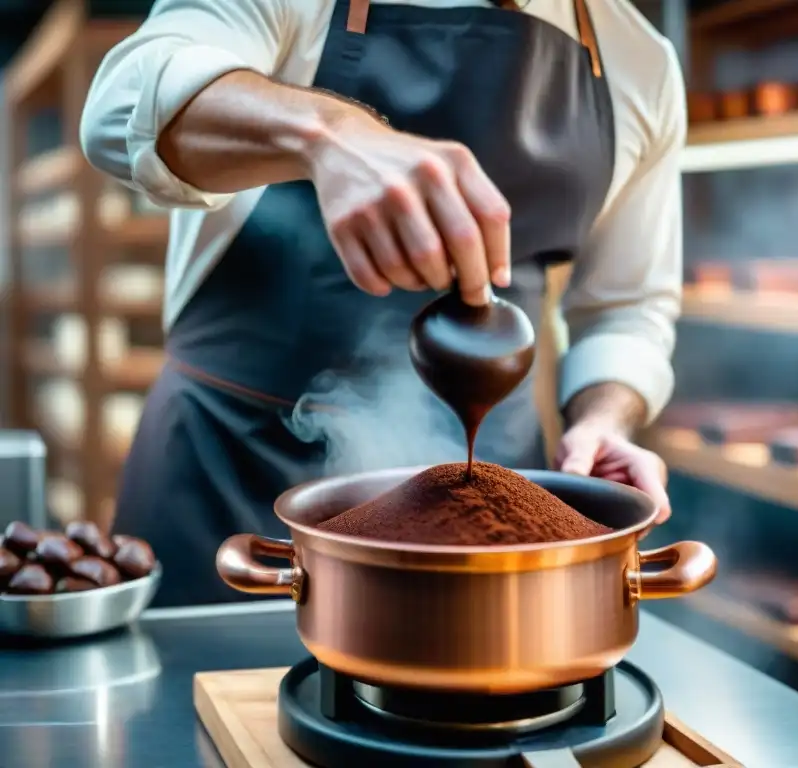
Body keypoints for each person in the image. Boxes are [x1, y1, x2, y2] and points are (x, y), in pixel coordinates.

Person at [80, 0, 686, 607]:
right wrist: (328, 136)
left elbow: (626, 308)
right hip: (228, 476)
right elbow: (120, 103)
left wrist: (602, 420)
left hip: (492, 510)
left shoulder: (638, 61)